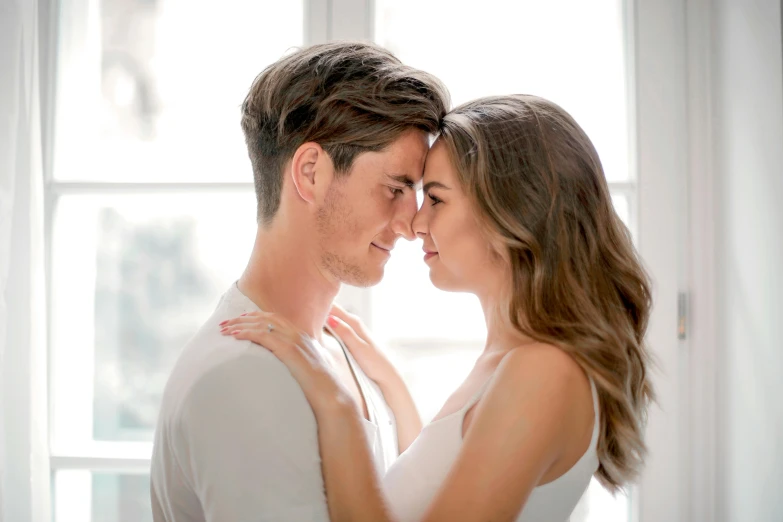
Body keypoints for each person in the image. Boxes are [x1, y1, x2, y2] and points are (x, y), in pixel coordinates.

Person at [221, 94, 655, 522]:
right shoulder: (514, 361)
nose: (415, 224)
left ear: (512, 212)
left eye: (437, 199)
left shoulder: (542, 372)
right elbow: (427, 486)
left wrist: (335, 405)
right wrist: (388, 381)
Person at [150, 41, 449, 521]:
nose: (411, 224)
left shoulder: (343, 350)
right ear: (310, 173)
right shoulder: (241, 377)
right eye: (395, 189)